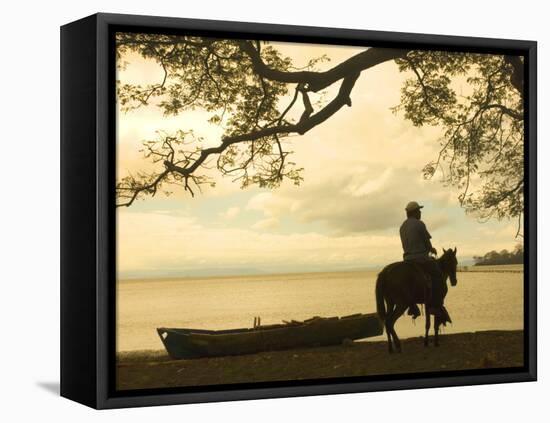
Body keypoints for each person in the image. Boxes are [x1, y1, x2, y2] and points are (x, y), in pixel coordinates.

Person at [399, 201, 451, 324]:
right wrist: (432, 249)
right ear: (414, 212)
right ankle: (435, 305)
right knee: (438, 276)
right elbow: (427, 243)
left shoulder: (402, 227)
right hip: (421, 258)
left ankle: (412, 306)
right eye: (419, 211)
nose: (420, 213)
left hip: (407, 259)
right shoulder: (419, 224)